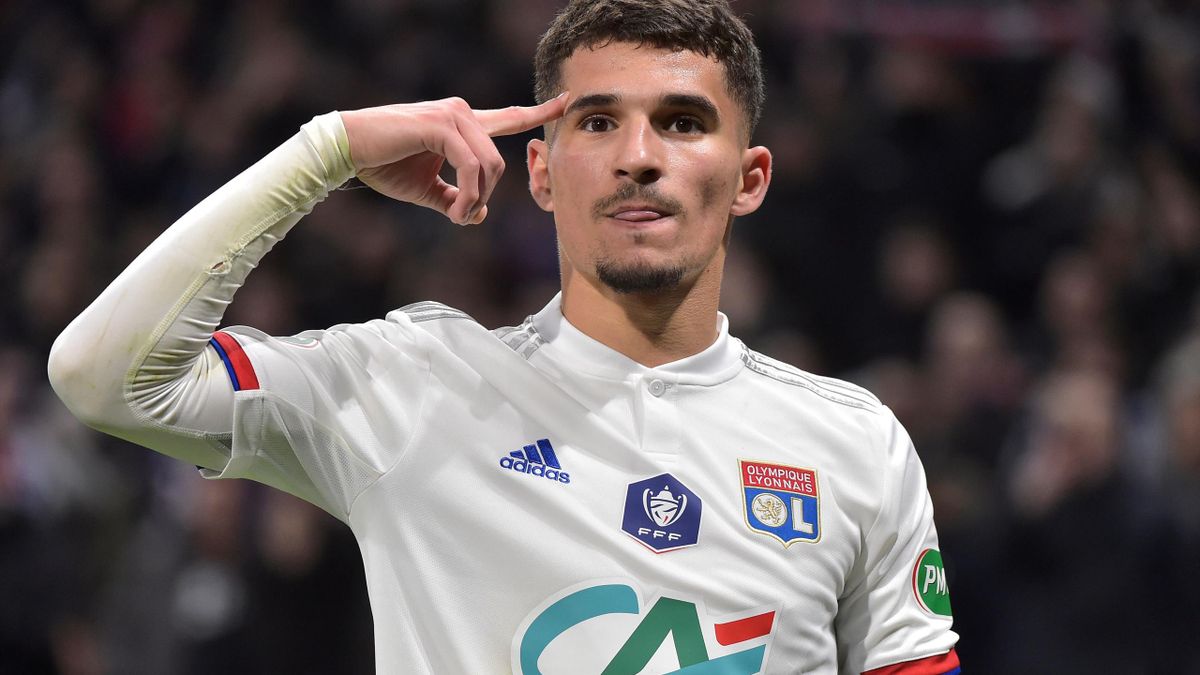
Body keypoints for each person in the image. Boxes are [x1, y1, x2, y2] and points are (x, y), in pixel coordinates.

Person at [47, 0, 961, 672]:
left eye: (682, 123)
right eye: (596, 121)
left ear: (751, 178)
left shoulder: (854, 442)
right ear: (542, 173)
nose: (639, 156)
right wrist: (326, 153)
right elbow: (106, 377)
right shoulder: (410, 386)